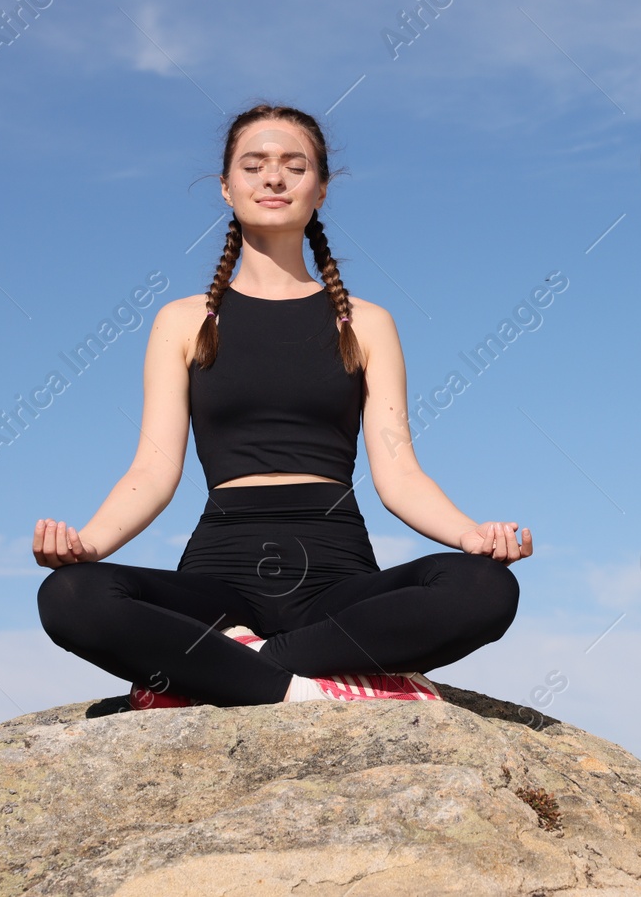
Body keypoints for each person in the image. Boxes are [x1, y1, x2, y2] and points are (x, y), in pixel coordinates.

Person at [34, 103, 532, 709]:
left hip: (336, 580)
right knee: (70, 596)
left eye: (294, 167)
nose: (273, 178)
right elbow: (153, 469)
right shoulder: (184, 321)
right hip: (219, 580)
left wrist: (471, 534)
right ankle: (310, 687)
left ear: (320, 189)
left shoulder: (367, 323)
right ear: (226, 187)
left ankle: (231, 673)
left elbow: (399, 472)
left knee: (482, 589)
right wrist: (87, 545)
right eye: (254, 165)